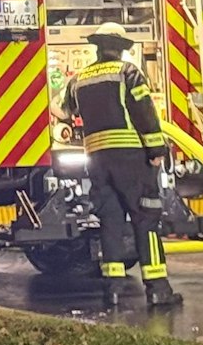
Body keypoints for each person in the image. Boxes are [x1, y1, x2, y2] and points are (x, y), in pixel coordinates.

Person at [62, 22, 180, 308]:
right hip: (131, 158)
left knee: (110, 221)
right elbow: (144, 112)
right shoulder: (128, 73)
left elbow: (66, 110)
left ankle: (113, 289)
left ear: (98, 47)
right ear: (121, 49)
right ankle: (157, 288)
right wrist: (156, 149)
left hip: (97, 160)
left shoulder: (80, 79)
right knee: (146, 218)